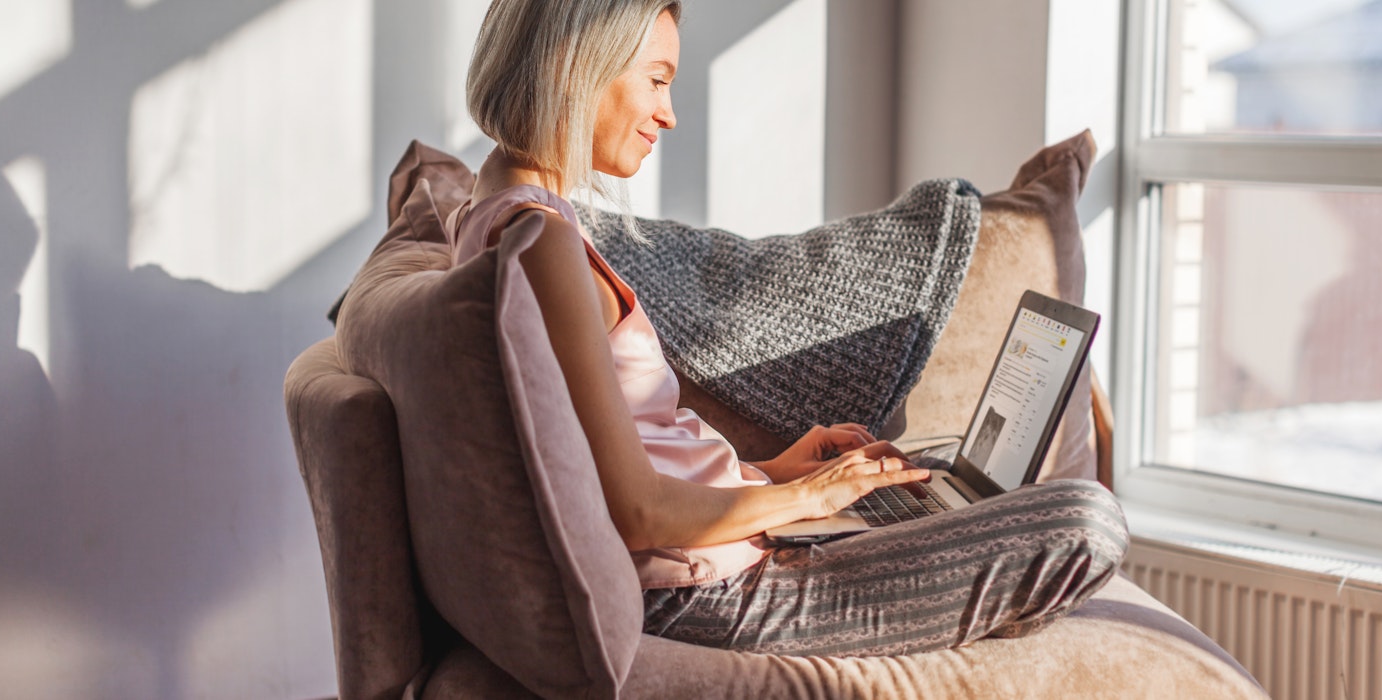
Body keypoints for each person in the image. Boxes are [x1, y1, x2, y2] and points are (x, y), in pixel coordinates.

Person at [453, 0, 1128, 657]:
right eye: (657, 80)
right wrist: (807, 497)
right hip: (701, 591)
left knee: (922, 478)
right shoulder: (540, 244)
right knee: (1084, 519)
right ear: (576, 66)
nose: (668, 113)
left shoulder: (503, 215)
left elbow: (629, 458)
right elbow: (637, 512)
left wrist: (774, 475)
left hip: (711, 559)